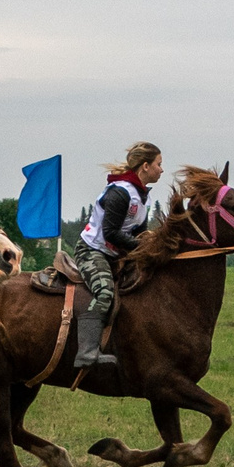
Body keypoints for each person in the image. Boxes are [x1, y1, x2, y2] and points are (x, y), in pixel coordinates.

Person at [69, 142, 162, 369]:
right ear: (146, 166)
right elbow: (110, 233)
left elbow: (138, 233)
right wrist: (143, 249)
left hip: (115, 252)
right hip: (93, 251)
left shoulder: (143, 197)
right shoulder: (120, 193)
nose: (162, 170)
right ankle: (87, 352)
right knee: (104, 292)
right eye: (159, 164)